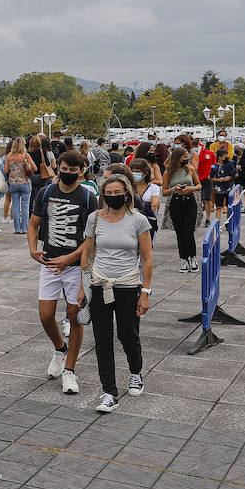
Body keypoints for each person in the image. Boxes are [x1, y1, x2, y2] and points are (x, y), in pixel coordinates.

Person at [82, 175, 153, 414]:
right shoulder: (94, 219)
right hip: (100, 283)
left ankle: (135, 372)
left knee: (127, 335)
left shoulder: (138, 220)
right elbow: (87, 252)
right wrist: (83, 286)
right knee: (102, 339)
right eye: (108, 193)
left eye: (117, 192)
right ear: (102, 195)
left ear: (127, 194)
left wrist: (146, 291)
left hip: (128, 285)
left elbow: (147, 258)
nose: (113, 197)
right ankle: (109, 392)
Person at [29, 152, 96, 396]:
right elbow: (34, 223)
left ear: (82, 170)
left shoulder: (88, 198)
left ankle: (70, 370)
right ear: (59, 167)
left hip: (76, 266)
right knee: (46, 316)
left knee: (75, 315)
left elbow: (91, 240)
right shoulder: (46, 192)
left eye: (73, 169)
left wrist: (71, 259)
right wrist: (32, 248)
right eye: (64, 168)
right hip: (49, 262)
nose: (67, 173)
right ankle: (60, 347)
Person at [163, 145, 201, 273]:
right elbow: (164, 192)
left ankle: (193, 257)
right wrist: (174, 189)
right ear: (178, 158)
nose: (187, 158)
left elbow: (199, 185)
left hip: (190, 201)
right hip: (176, 202)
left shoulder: (190, 169)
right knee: (180, 233)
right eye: (184, 156)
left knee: (189, 232)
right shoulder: (168, 172)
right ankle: (183, 259)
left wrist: (192, 188)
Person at [5, 136, 36, 233]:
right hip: (24, 183)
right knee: (25, 207)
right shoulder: (25, 155)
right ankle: (25, 228)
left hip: (13, 184)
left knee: (15, 206)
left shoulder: (9, 156)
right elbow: (35, 168)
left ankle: (17, 229)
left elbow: (6, 170)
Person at [127, 157, 161, 240]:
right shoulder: (128, 187)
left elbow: (153, 206)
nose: (134, 174)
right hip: (129, 224)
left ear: (145, 173)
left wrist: (133, 206)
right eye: (133, 171)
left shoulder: (153, 188)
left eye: (137, 172)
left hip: (147, 223)